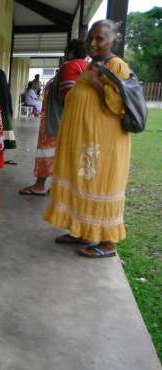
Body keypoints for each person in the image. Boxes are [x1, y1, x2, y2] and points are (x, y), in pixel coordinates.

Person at [44, 20, 132, 258]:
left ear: (113, 40)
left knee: (99, 185)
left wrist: (96, 84)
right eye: (90, 38)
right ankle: (82, 230)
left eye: (100, 38)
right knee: (81, 184)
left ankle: (108, 243)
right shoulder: (93, 65)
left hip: (103, 145)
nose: (93, 42)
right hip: (84, 142)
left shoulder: (116, 66)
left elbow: (119, 105)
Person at [19, 39, 88, 196]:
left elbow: (70, 96)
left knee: (46, 152)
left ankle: (39, 185)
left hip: (56, 120)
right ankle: (59, 186)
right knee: (60, 153)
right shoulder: (86, 67)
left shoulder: (71, 66)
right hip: (66, 120)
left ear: (70, 51)